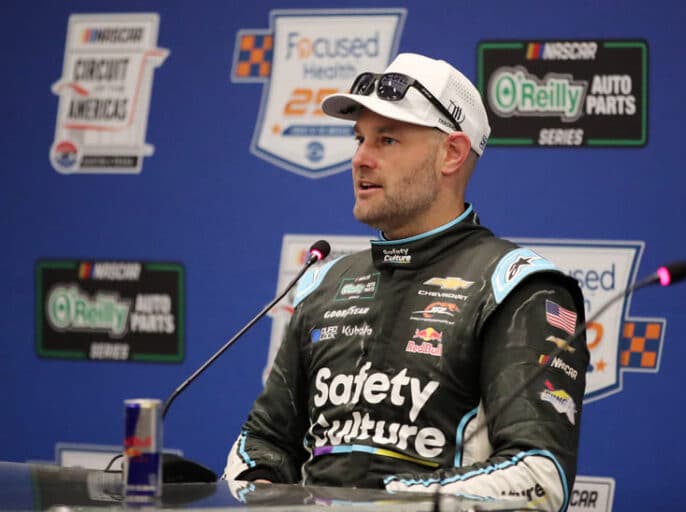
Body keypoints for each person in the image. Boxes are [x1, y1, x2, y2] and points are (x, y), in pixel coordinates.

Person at [223, 52, 589, 510]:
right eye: (359, 139)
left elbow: (539, 477)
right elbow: (261, 443)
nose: (360, 159)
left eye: (388, 140)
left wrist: (377, 503)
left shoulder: (517, 287)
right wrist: (261, 491)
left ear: (451, 153)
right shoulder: (326, 282)